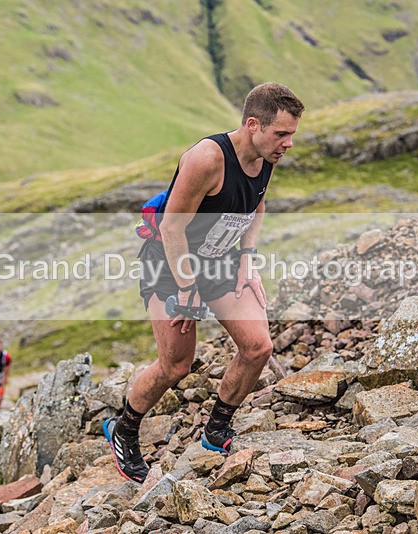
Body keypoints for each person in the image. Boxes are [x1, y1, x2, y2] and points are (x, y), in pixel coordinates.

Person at [104, 82, 304, 483]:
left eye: (292, 135)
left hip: (222, 260)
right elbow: (171, 226)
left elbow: (257, 204)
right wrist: (185, 286)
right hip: (170, 263)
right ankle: (123, 429)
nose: (288, 144)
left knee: (257, 347)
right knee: (176, 364)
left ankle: (216, 431)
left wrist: (247, 259)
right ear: (253, 125)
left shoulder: (267, 154)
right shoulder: (206, 159)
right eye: (282, 134)